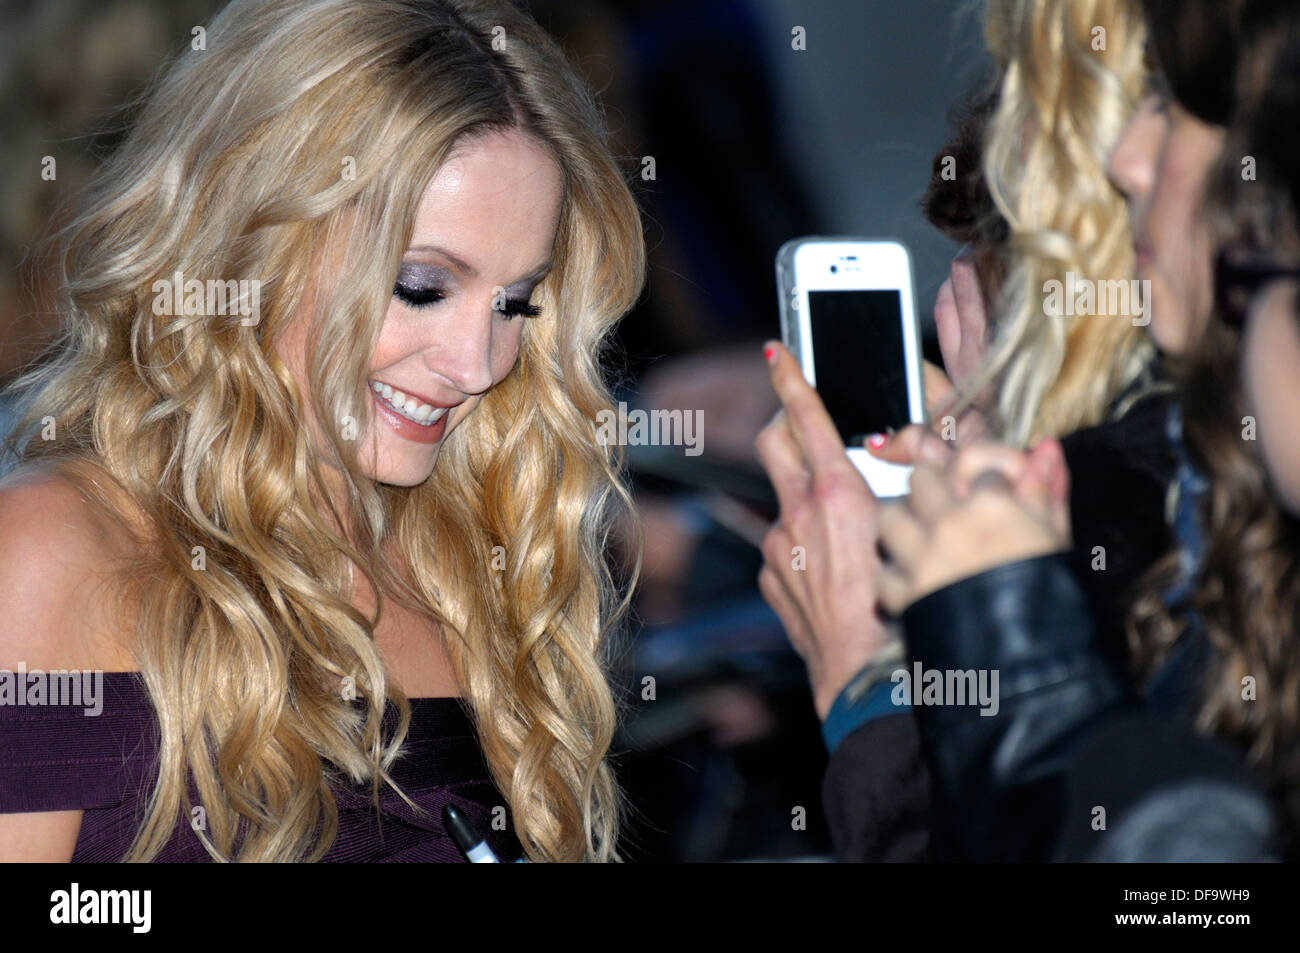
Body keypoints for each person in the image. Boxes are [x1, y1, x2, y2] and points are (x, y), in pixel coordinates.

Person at [0, 0, 645, 862]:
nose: (477, 364)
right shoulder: (52, 555)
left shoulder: (480, 563)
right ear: (252, 244)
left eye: (516, 302)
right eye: (421, 286)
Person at [794, 0, 1300, 860]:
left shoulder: (1162, 511)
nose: (1127, 160)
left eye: (1175, 105)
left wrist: (898, 681)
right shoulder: (1229, 521)